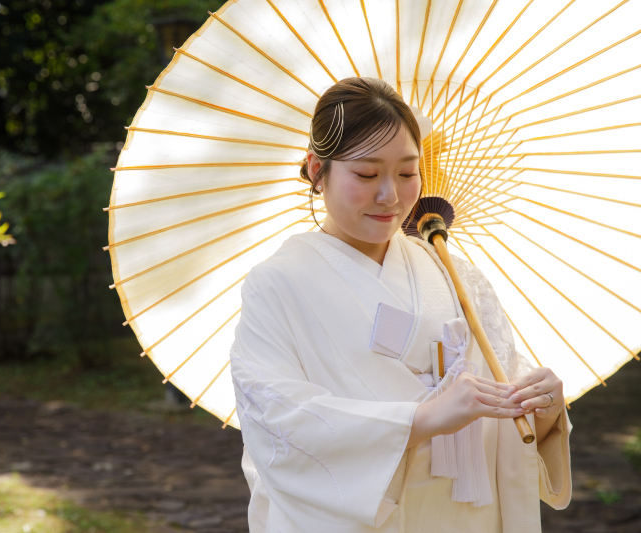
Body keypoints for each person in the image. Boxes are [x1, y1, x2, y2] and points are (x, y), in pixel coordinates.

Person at [229, 77, 572, 533]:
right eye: (367, 175)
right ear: (317, 169)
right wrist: (420, 418)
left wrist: (541, 408)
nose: (390, 196)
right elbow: (277, 420)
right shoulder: (276, 283)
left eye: (408, 173)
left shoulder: (457, 275)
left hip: (468, 519)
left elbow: (503, 385)